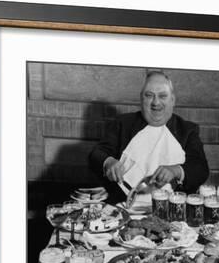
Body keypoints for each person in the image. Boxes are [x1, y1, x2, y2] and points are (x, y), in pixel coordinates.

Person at [89, 70, 209, 202]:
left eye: (163, 96)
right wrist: (109, 162)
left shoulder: (187, 130)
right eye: (149, 95)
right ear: (141, 99)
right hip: (123, 205)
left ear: (172, 100)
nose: (156, 103)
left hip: (172, 207)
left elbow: (201, 169)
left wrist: (176, 170)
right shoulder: (122, 123)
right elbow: (96, 153)